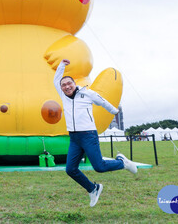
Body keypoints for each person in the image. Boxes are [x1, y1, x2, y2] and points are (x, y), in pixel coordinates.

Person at [54, 59, 138, 207]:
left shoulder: (87, 93)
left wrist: (113, 110)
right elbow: (56, 78)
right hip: (74, 137)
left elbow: (102, 101)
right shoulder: (63, 95)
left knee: (99, 166)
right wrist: (61, 65)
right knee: (70, 169)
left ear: (74, 84)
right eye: (63, 85)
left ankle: (122, 163)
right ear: (61, 88)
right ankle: (93, 189)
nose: (67, 86)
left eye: (69, 83)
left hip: (88, 135)